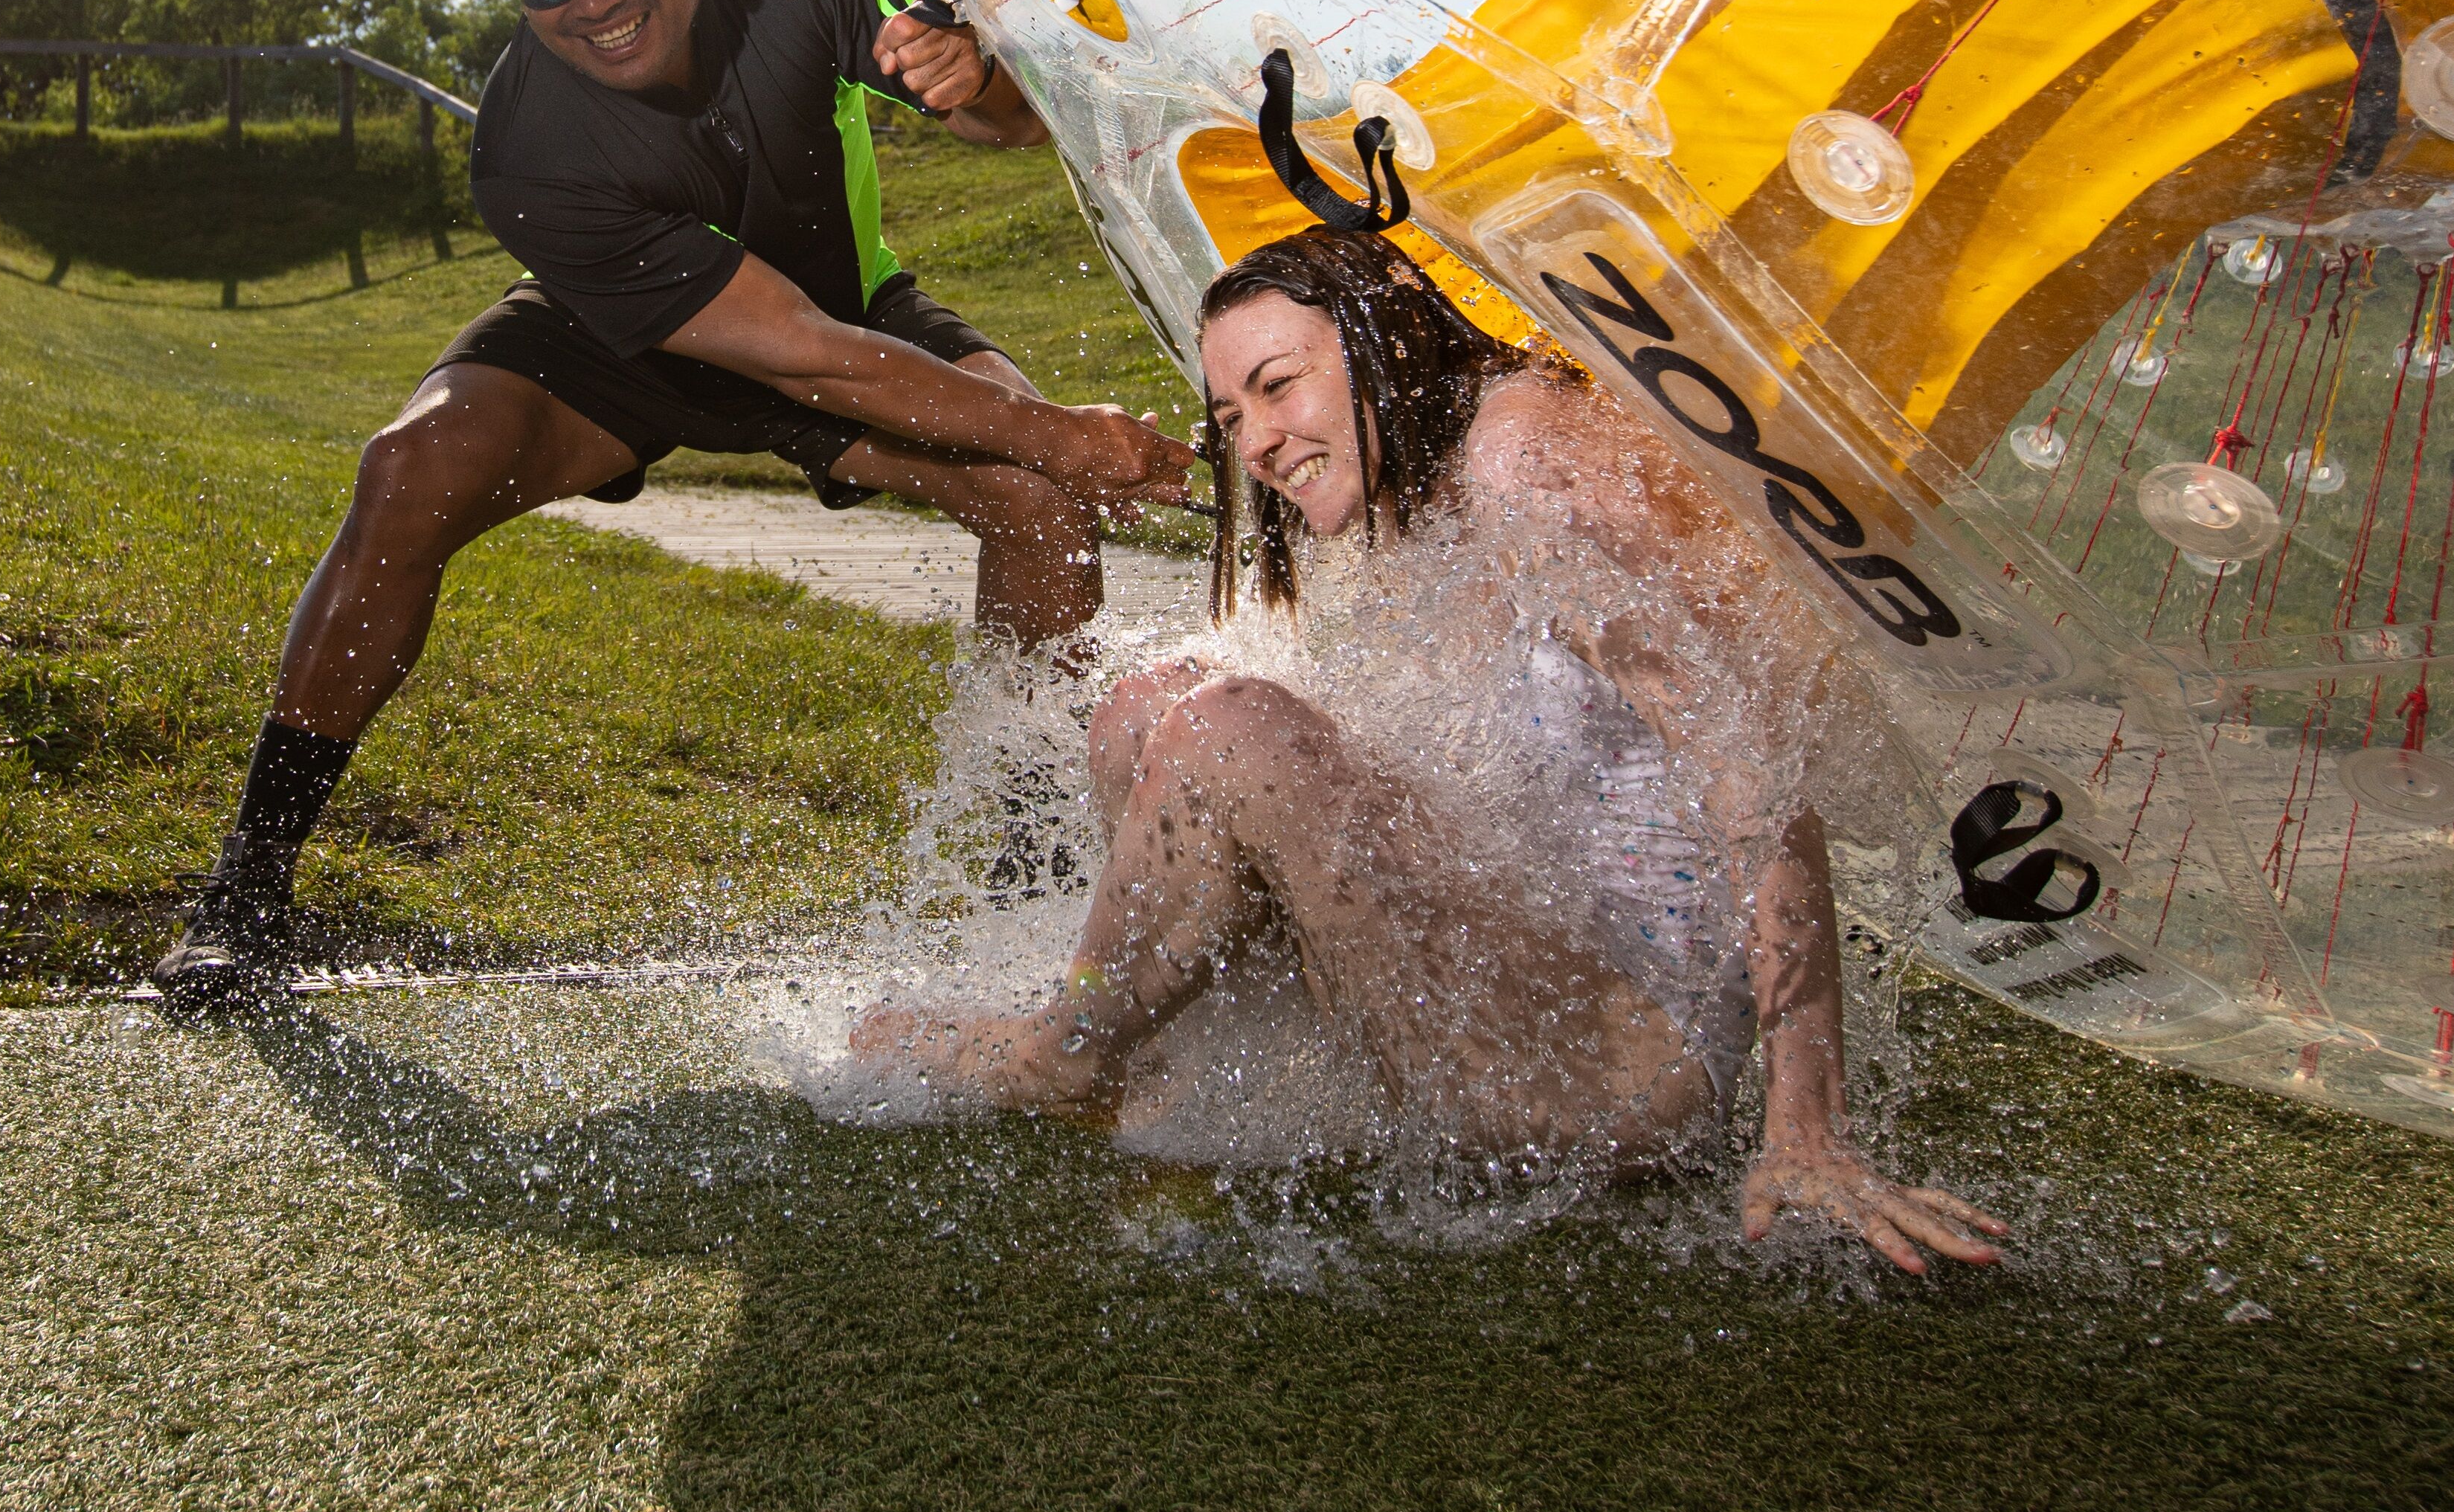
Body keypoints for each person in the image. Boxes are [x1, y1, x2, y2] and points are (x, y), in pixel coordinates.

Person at [150, 0, 1195, 1003]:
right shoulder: (525, 150)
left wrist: (981, 81)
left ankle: (1029, 883)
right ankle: (247, 884)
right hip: (640, 341)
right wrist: (1063, 427)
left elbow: (1013, 128)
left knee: (1033, 502)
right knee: (408, 469)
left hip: (837, 306)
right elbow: (791, 354)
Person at [852, 225, 2008, 1274]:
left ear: (1374, 340)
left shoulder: (1531, 470)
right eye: (1228, 418)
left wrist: (1806, 1126)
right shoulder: (1435, 459)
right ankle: (1153, 1055)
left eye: (1277, 388)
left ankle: (1067, 1053)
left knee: (1228, 728)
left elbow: (1756, 775)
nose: (1255, 442)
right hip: (1518, 977)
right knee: (1150, 706)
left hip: (1622, 1066)